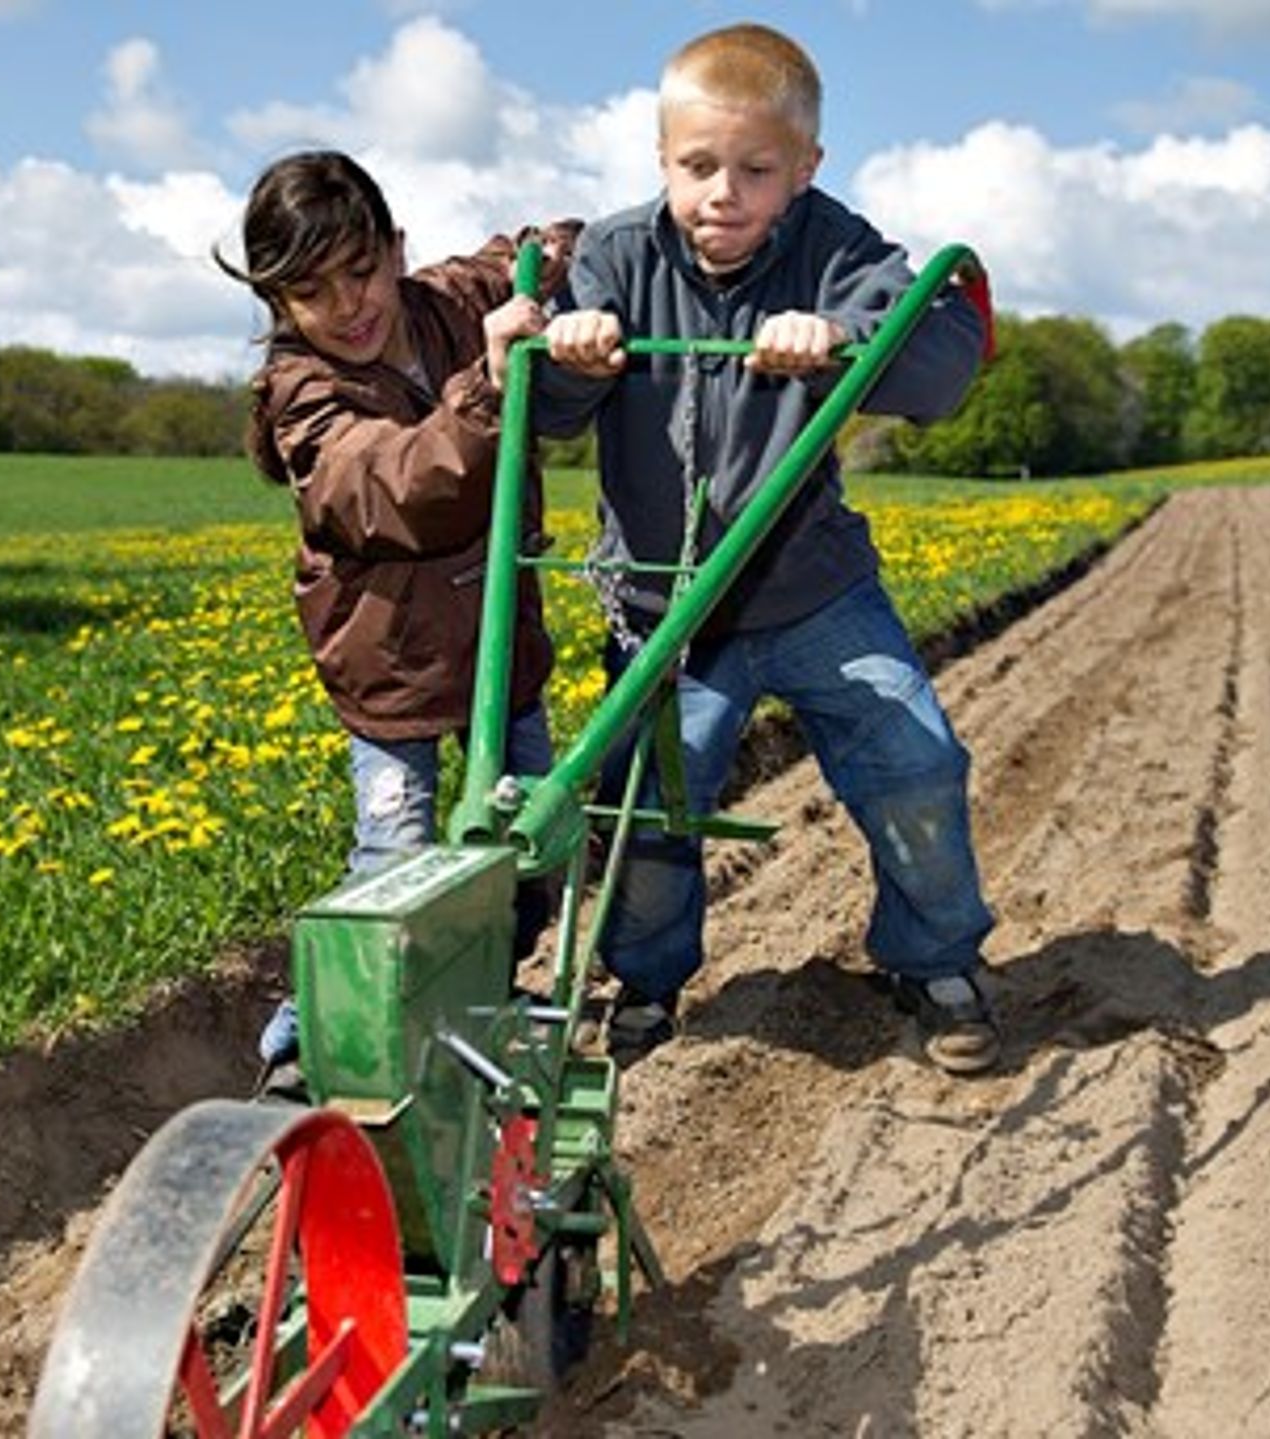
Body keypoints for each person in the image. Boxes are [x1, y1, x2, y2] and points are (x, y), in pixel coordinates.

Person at [533, 23, 1003, 1074]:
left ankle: (933, 959)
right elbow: (552, 409)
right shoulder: (612, 255)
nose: (723, 194)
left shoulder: (834, 247)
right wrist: (570, 349)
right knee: (648, 810)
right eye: (698, 167)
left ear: (803, 169)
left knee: (915, 761)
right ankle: (647, 979)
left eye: (755, 170)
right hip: (667, 613)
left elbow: (936, 363)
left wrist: (840, 337)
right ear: (662, 160)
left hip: (812, 592)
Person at [216, 150, 576, 1093]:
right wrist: (489, 390)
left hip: (503, 647)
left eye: (362, 269)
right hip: (393, 669)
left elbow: (525, 257)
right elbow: (392, 486)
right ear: (278, 305)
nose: (349, 304)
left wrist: (578, 254)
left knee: (532, 850)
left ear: (396, 249)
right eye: (310, 290)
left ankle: (465, 1002)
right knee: (394, 863)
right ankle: (307, 1040)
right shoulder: (302, 397)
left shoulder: (443, 303)